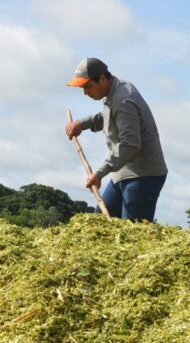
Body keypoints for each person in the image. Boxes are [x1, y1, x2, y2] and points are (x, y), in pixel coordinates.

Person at [65, 57, 168, 222]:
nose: (85, 93)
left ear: (103, 79)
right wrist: (81, 124)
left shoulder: (123, 100)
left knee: (132, 233)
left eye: (88, 87)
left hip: (143, 176)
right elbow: (107, 117)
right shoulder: (113, 92)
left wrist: (99, 173)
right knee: (101, 222)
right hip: (124, 171)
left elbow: (130, 145)